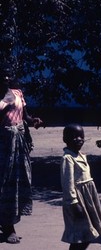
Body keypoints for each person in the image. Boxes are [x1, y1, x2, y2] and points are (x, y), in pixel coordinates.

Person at [0, 64, 43, 244]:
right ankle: (7, 226)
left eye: (9, 75)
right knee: (3, 182)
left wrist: (33, 121)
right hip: (2, 146)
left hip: (18, 144)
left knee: (15, 182)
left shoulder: (17, 93)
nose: (6, 78)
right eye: (3, 75)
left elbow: (25, 115)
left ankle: (8, 224)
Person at [60, 124, 101, 249]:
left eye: (81, 136)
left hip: (87, 199)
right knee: (80, 236)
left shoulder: (81, 155)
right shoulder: (68, 158)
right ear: (65, 140)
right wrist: (74, 203)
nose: (78, 139)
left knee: (89, 234)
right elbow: (67, 182)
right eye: (74, 137)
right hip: (78, 200)